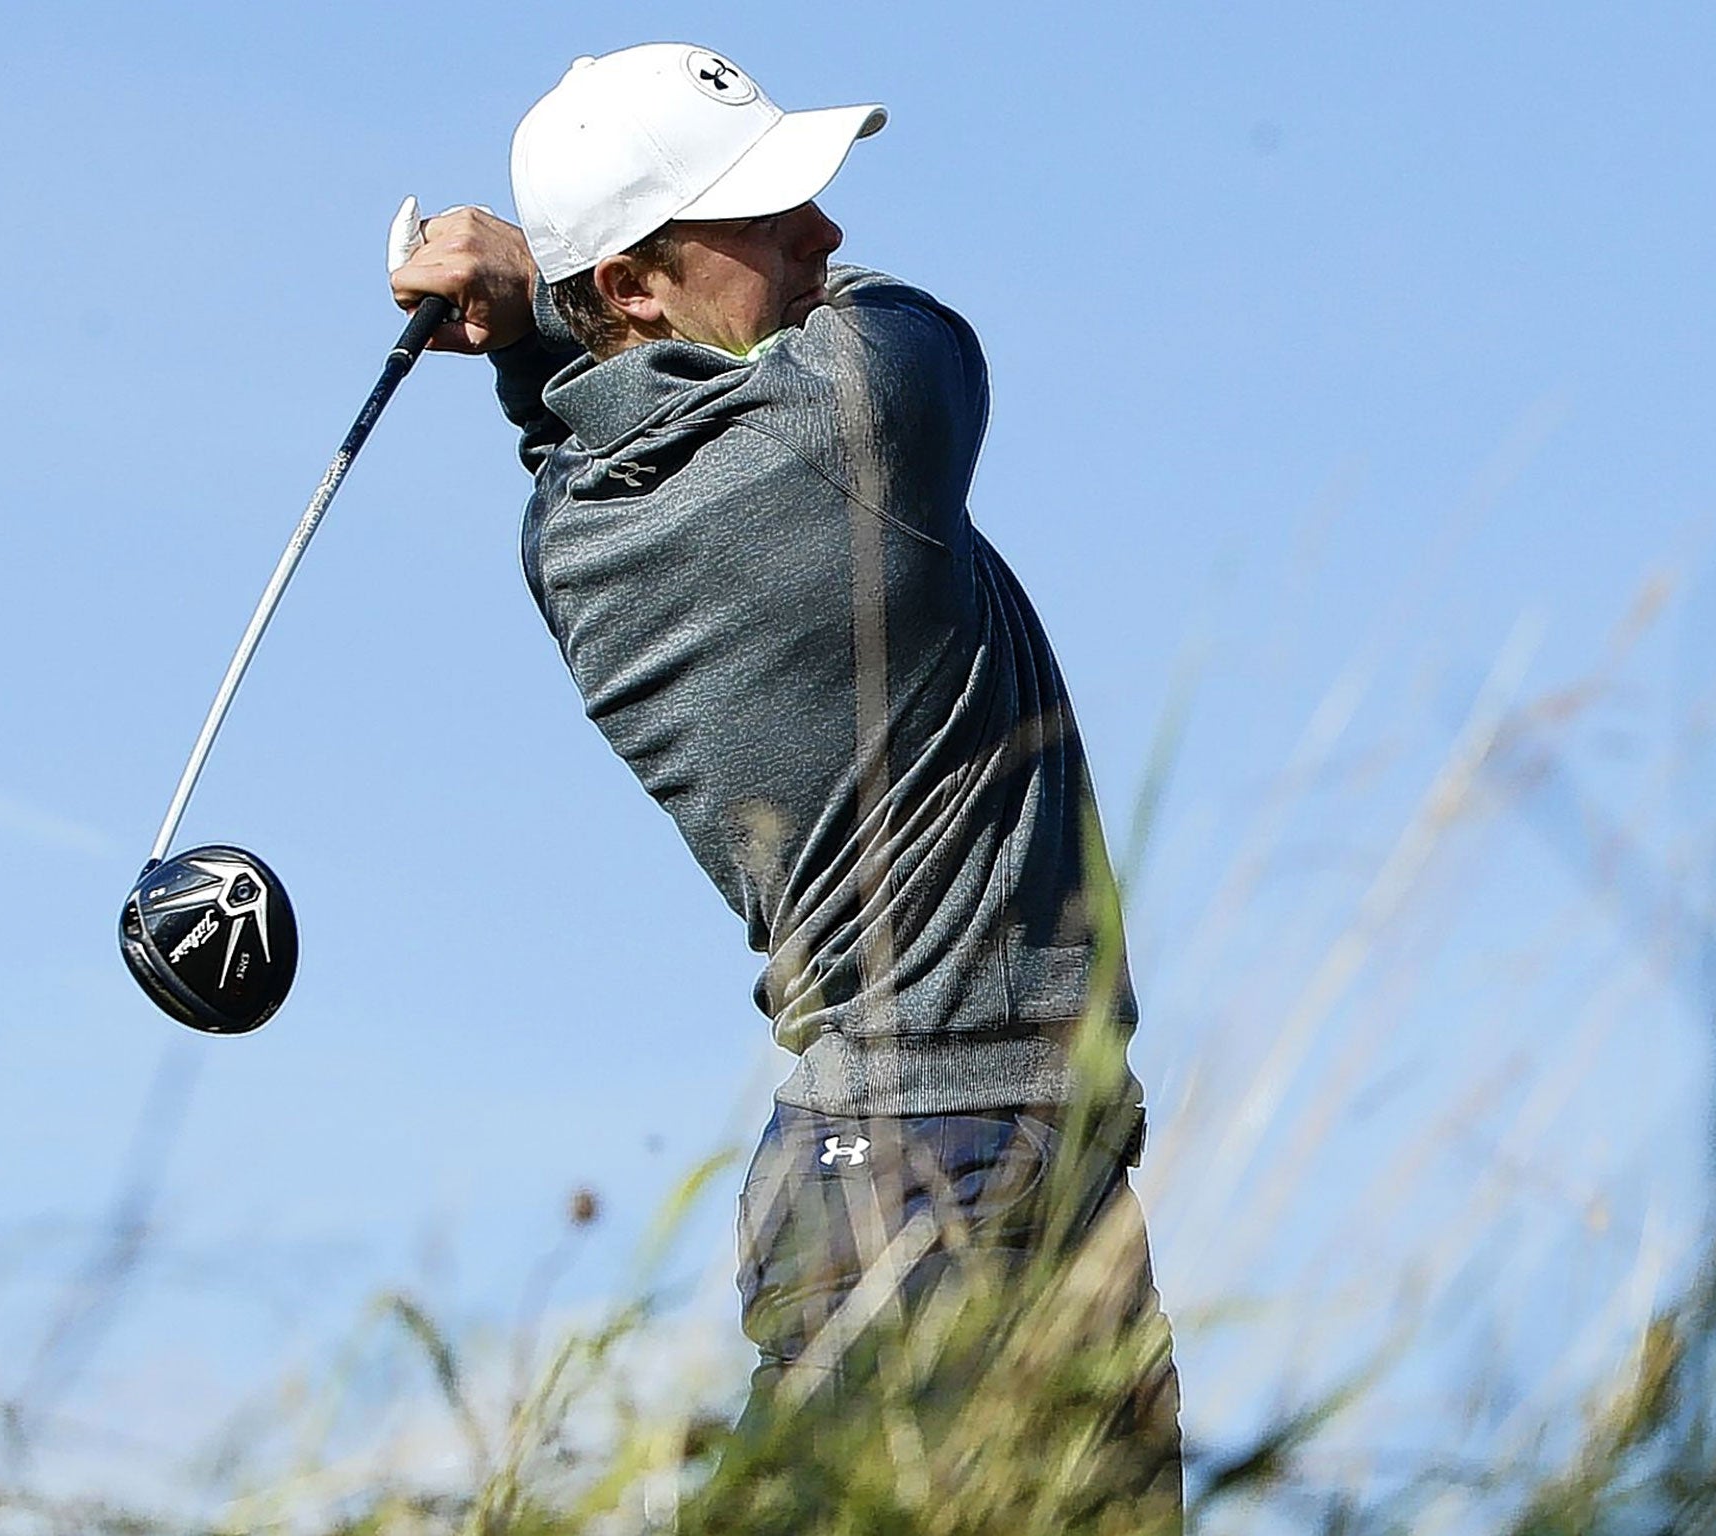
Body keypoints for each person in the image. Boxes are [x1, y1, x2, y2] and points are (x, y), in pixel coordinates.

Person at [389, 43, 1181, 1527]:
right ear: (632, 284)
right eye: (766, 215)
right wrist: (526, 306)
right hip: (947, 1171)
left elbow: (598, 421)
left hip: (930, 1163)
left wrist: (530, 328)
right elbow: (897, 323)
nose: (821, 234)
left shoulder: (571, 536)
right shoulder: (864, 415)